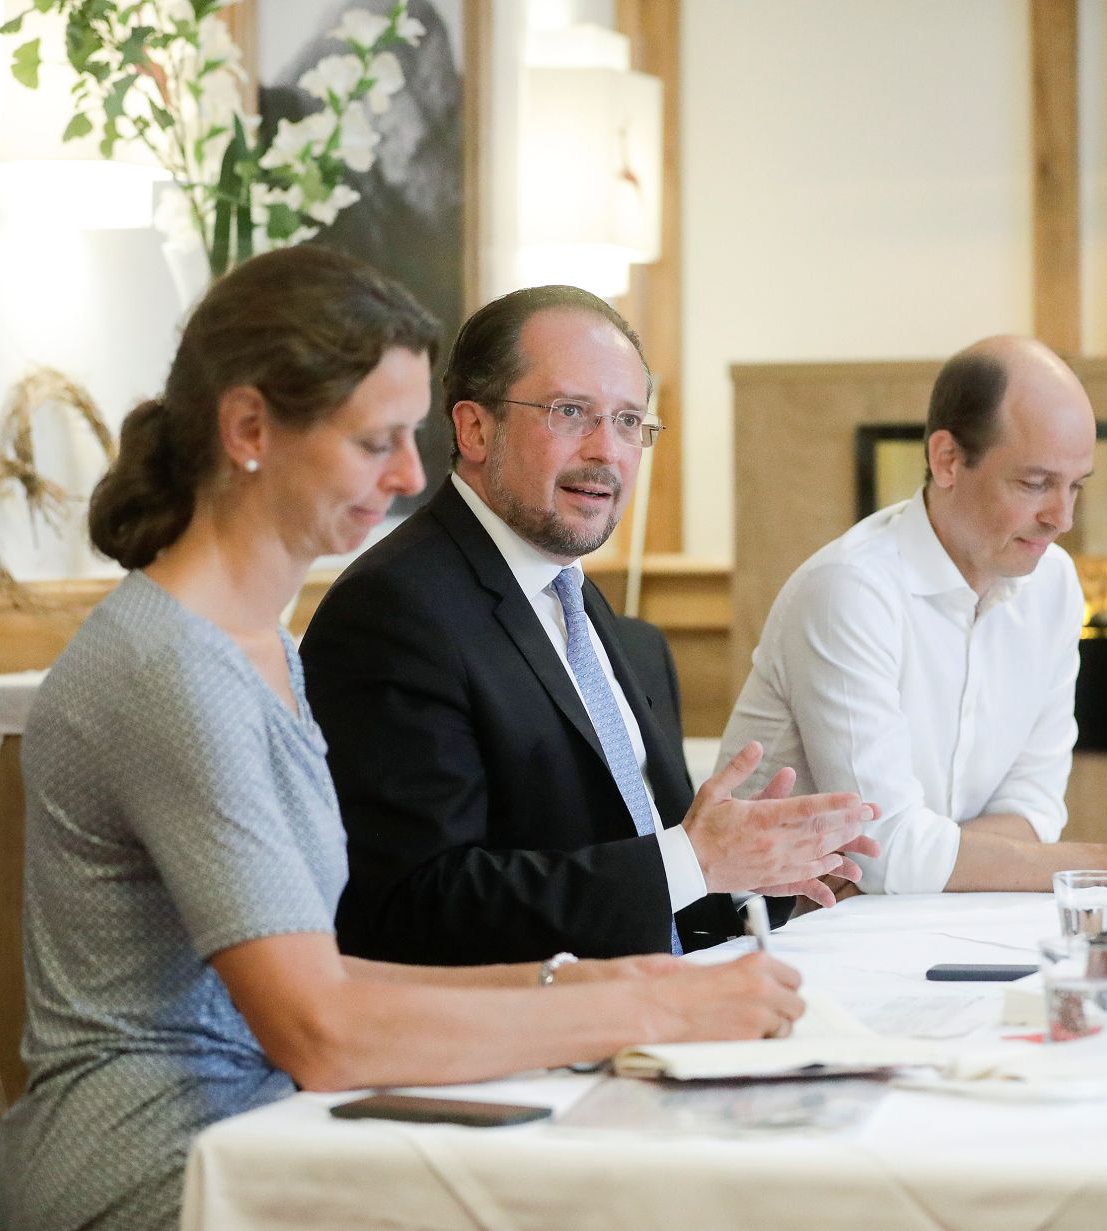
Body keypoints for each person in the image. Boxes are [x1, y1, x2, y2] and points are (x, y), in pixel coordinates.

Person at [4, 249, 808, 1231]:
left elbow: (331, 969)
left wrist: (609, 977)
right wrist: (651, 1012)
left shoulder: (262, 648)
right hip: (171, 1160)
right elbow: (322, 1030)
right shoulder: (172, 669)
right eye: (376, 438)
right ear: (250, 428)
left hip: (284, 1120)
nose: (410, 475)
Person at [299, 285, 878, 967]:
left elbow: (641, 868)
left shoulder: (606, 620)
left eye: (631, 421)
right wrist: (692, 860)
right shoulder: (394, 612)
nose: (608, 451)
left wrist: (757, 879)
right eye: (572, 412)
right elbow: (413, 907)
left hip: (665, 1011)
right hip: (514, 1051)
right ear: (475, 429)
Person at [720, 336, 1107, 896]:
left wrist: (926, 862)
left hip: (920, 921)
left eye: (1076, 486)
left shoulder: (1052, 583)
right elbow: (891, 852)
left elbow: (1031, 806)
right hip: (784, 937)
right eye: (1035, 484)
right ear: (948, 460)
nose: (1062, 518)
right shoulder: (849, 591)